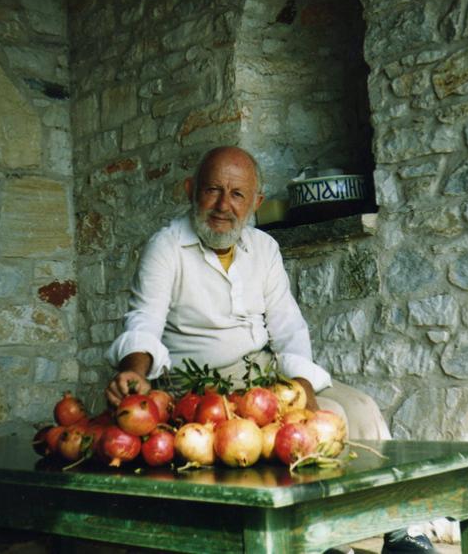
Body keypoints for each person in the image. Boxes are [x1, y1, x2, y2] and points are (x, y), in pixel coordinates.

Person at [106, 146, 436, 554]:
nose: (224, 206)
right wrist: (135, 370)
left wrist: (302, 385)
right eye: (212, 190)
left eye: (238, 194)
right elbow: (144, 319)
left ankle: (402, 527)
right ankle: (318, 541)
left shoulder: (264, 249)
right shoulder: (167, 247)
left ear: (256, 203)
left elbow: (288, 327)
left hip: (266, 373)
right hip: (203, 390)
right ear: (191, 190)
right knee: (315, 426)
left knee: (359, 407)